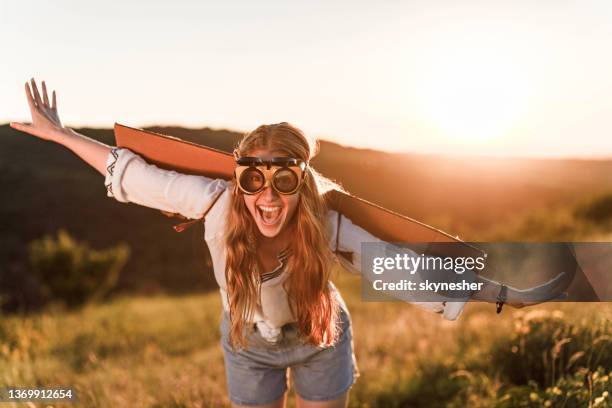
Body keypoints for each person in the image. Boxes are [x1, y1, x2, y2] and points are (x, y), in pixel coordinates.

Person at [11, 79, 565, 408]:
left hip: (321, 338)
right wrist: (60, 134)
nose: (268, 199)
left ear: (303, 183)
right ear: (239, 180)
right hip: (247, 346)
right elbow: (124, 170)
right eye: (254, 181)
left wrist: (506, 294)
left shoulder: (325, 225)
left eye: (285, 183)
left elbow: (407, 270)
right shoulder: (213, 201)